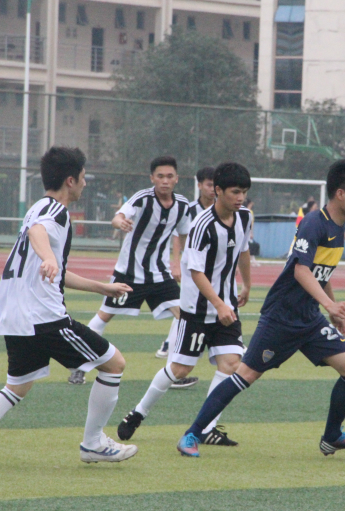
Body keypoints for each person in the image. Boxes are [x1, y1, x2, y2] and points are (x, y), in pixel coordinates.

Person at [0, 146, 137, 467]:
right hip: (43, 317)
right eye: (83, 178)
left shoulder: (37, 207)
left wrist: (102, 287)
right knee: (114, 364)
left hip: (16, 315)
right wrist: (48, 257)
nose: (85, 184)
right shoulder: (55, 212)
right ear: (70, 181)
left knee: (16, 387)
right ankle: (93, 444)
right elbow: (38, 233)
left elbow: (54, 268)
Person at [176, 159, 345, 458]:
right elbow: (301, 271)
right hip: (282, 316)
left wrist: (330, 310)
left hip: (310, 318)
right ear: (341, 194)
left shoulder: (341, 226)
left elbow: (322, 272)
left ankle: (332, 436)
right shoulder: (313, 223)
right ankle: (192, 433)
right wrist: (330, 304)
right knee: (244, 375)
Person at [116, 163, 253, 447]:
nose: (240, 198)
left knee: (231, 364)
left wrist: (247, 285)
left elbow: (243, 251)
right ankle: (138, 412)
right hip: (197, 310)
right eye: (235, 192)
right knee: (179, 370)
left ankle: (206, 428)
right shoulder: (201, 224)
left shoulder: (244, 217)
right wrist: (218, 303)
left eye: (244, 192)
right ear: (218, 191)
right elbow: (196, 272)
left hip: (226, 307)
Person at [75, 157, 197, 389]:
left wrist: (184, 261)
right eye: (160, 176)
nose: (165, 181)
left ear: (177, 179)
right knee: (105, 315)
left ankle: (173, 375)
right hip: (129, 273)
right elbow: (118, 216)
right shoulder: (142, 198)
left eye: (169, 176)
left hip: (159, 274)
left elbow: (183, 235)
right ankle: (79, 365)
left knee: (185, 317)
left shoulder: (182, 205)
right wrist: (120, 222)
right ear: (152, 178)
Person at [158, 165, 216, 362]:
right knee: (187, 308)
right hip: (192, 267)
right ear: (199, 185)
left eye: (215, 185)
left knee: (217, 302)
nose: (212, 189)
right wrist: (176, 264)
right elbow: (177, 236)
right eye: (208, 185)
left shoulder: (222, 209)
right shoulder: (189, 210)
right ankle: (170, 347)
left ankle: (231, 341)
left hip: (214, 268)